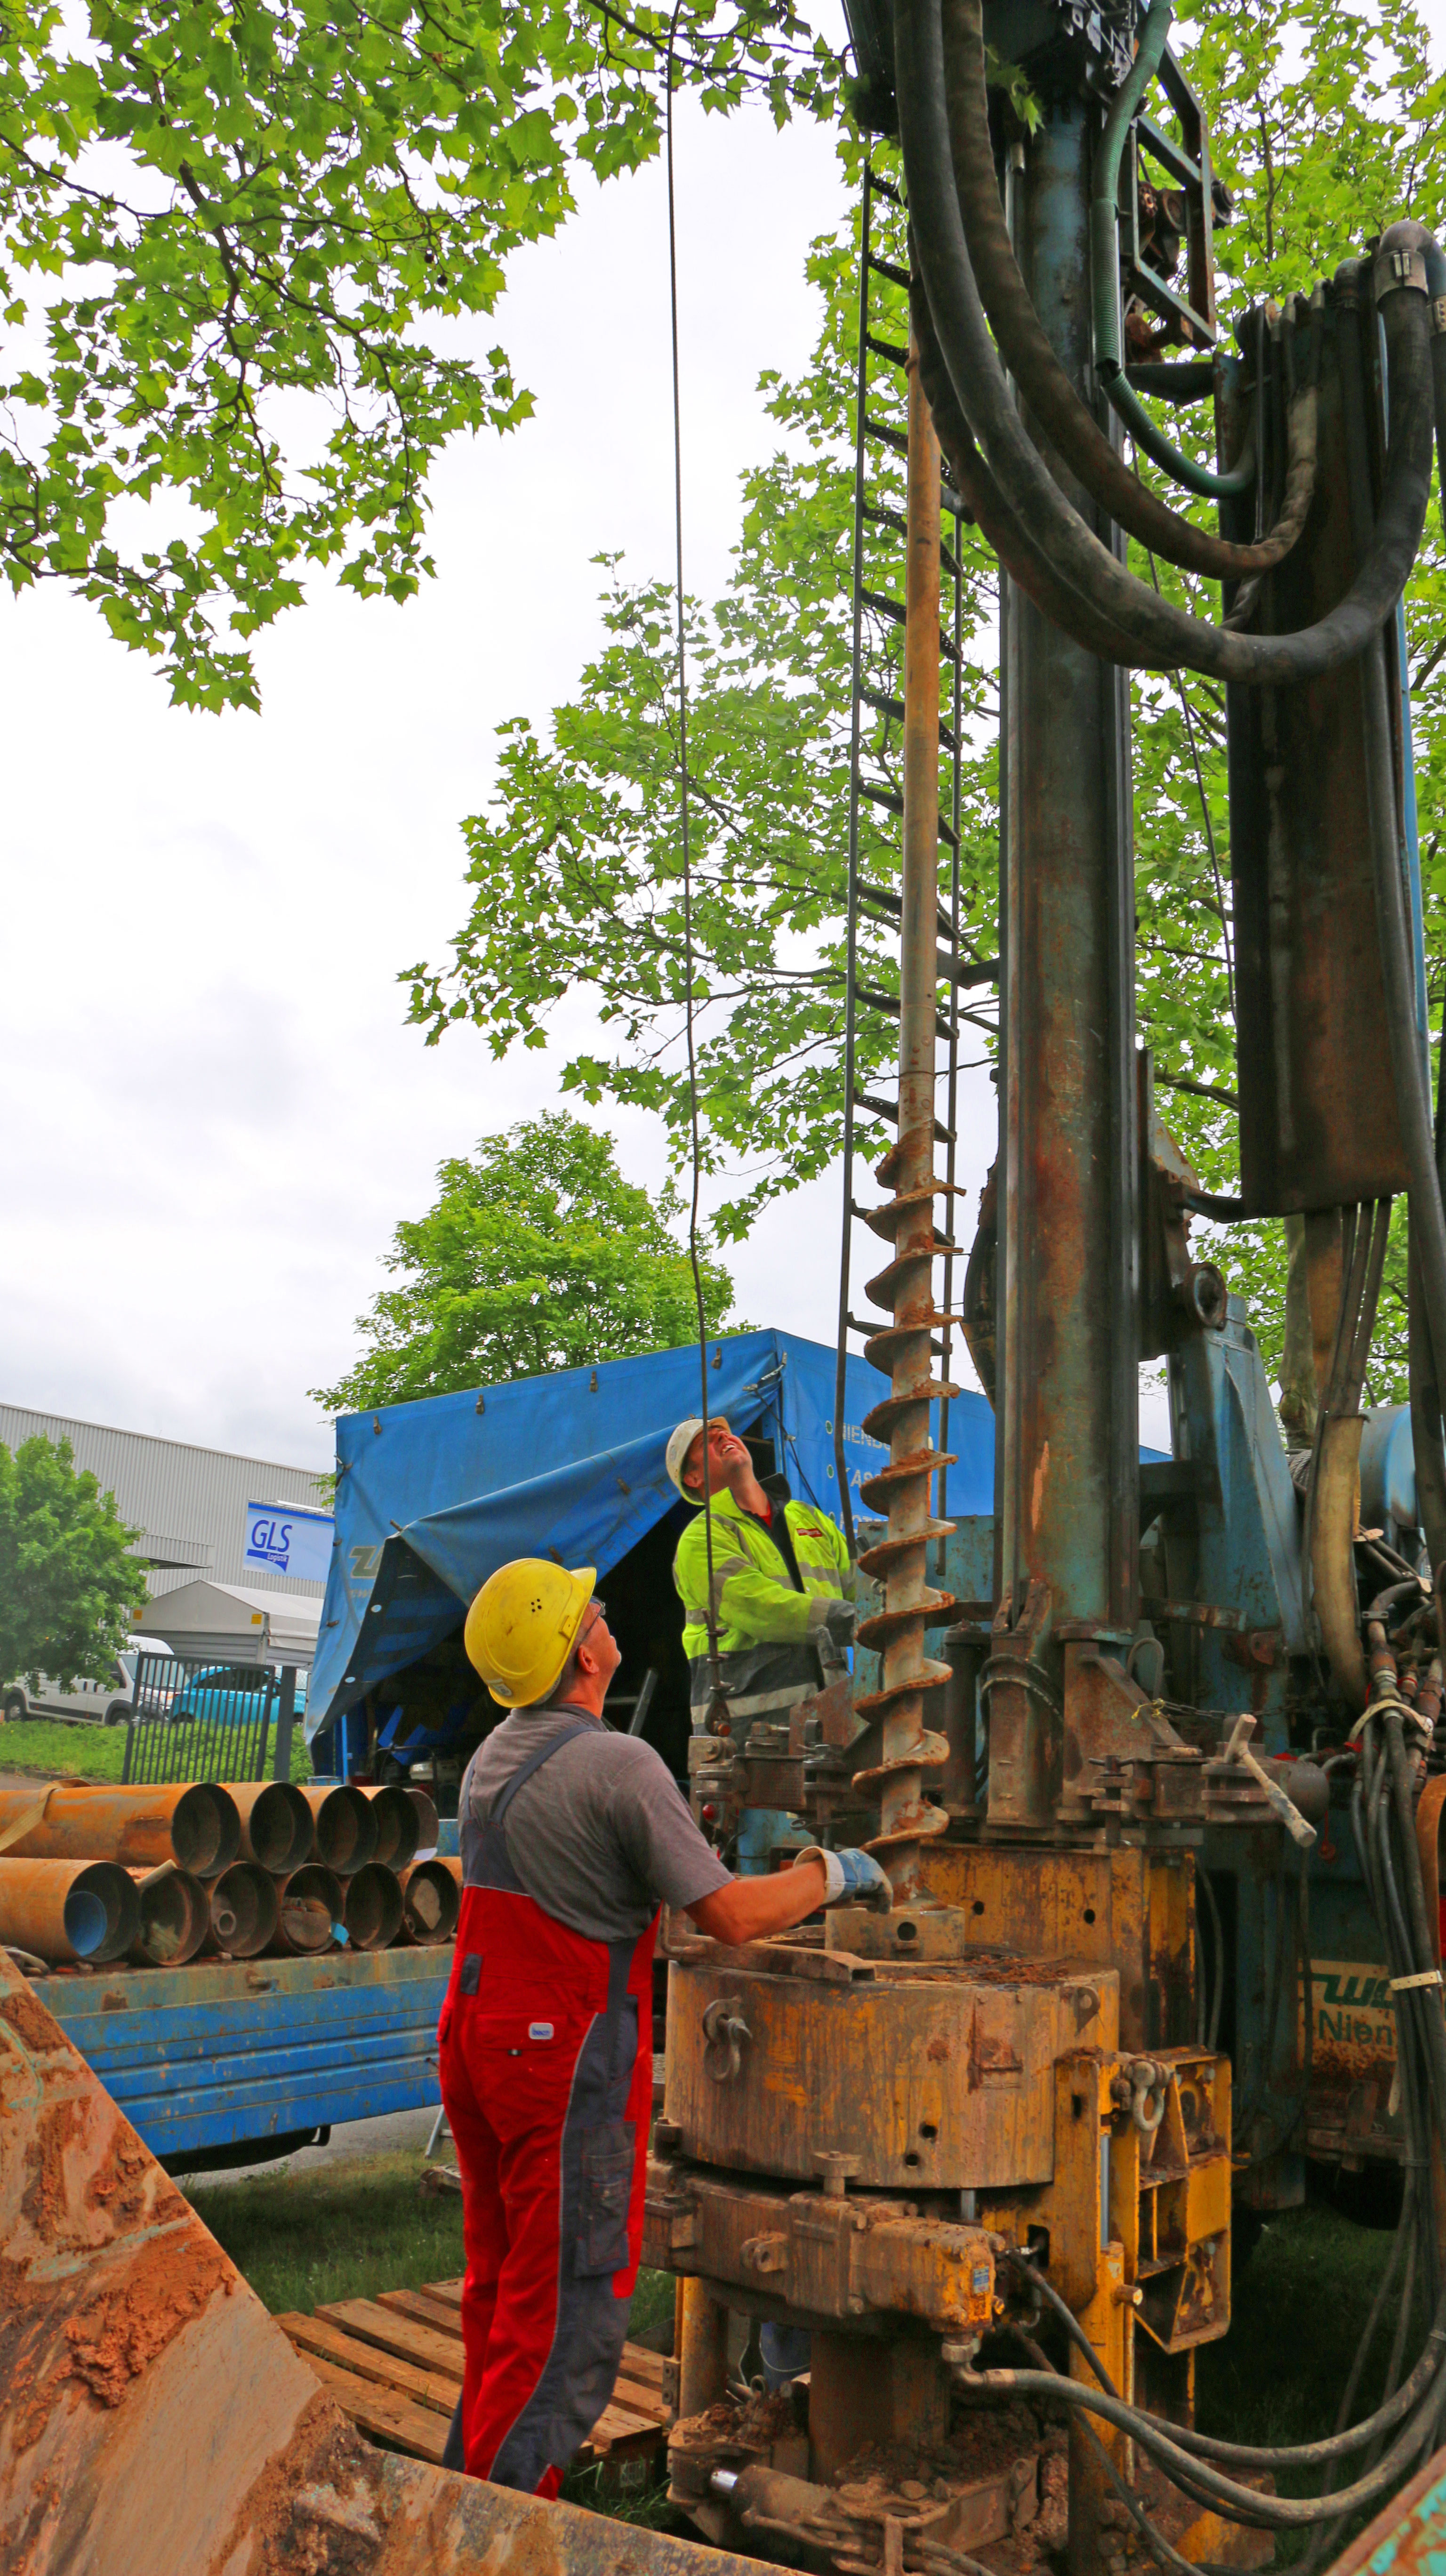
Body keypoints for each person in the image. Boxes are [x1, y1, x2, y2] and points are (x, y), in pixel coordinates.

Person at [437, 1557, 888, 2497]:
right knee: (564, 2314)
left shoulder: (496, 1756)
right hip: (561, 2060)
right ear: (580, 1654)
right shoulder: (617, 1765)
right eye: (587, 1609)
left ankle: (457, 2495)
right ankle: (495, 2537)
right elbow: (725, 1915)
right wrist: (832, 1874)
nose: (603, 1611)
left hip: (479, 2042)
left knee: (500, 2292)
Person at [667, 1413, 857, 1728]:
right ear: (693, 1479)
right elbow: (760, 1608)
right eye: (706, 1441)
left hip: (830, 1719)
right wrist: (853, 1620)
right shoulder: (701, 1539)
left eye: (724, 1432)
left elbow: (861, 1588)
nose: (723, 1438)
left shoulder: (808, 1519)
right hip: (748, 1737)